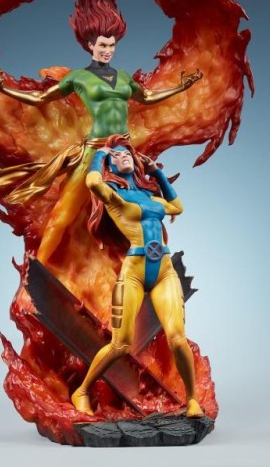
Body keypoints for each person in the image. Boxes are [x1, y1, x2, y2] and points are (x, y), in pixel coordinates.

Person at [0, 0, 201, 265]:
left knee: (147, 211)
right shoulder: (80, 78)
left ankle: (147, 269)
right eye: (102, 45)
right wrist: (4, 88)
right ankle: (38, 271)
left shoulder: (123, 77)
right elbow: (42, 98)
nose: (107, 50)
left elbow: (147, 97)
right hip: (95, 153)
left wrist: (180, 87)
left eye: (111, 45)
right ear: (90, 45)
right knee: (63, 214)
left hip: (126, 153)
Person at [70, 134, 203, 418]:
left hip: (163, 269)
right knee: (121, 344)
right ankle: (82, 391)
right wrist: (101, 154)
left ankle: (192, 400)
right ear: (110, 164)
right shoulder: (112, 194)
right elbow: (91, 182)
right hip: (135, 270)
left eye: (127, 153)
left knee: (177, 337)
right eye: (117, 155)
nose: (124, 156)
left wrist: (157, 173)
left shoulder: (149, 195)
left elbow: (177, 207)